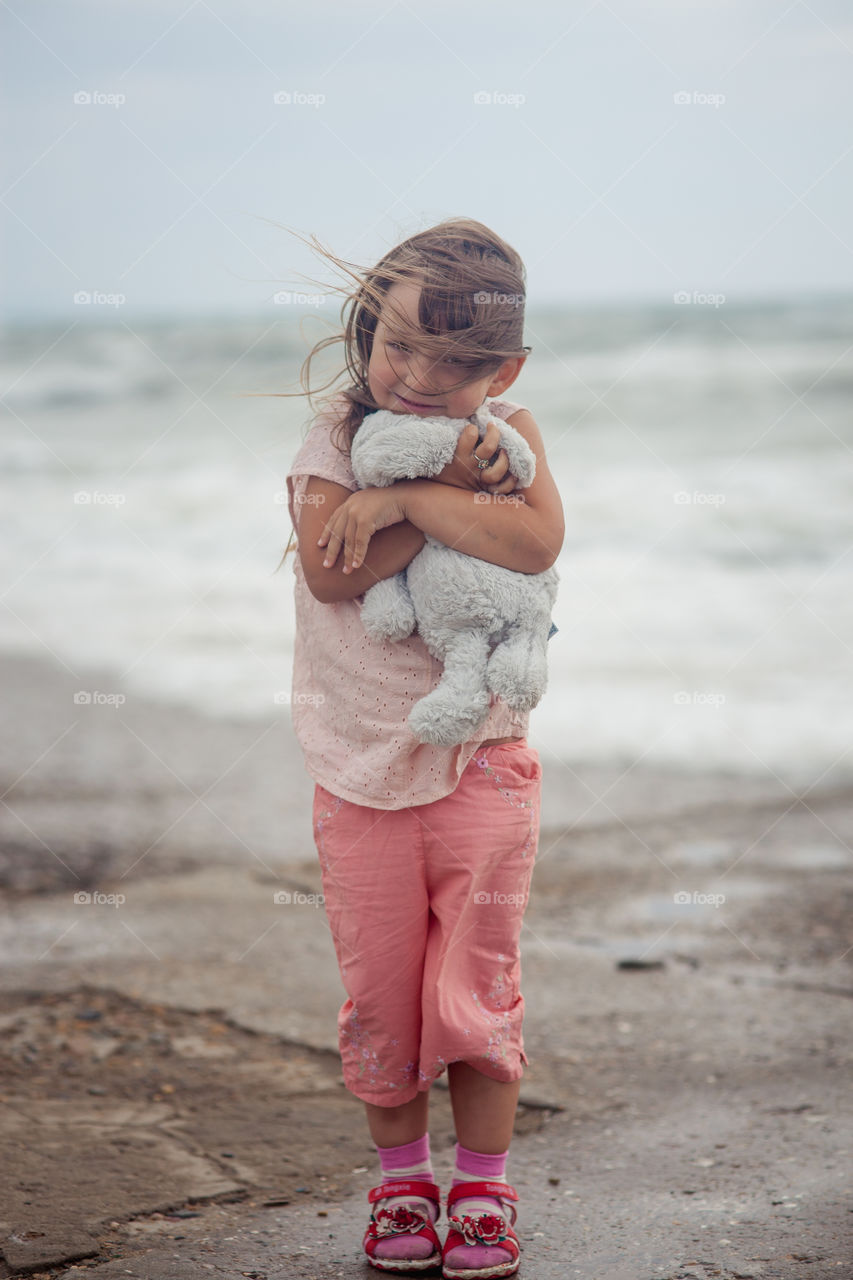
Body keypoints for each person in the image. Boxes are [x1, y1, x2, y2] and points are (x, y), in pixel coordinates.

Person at [284, 218, 564, 1278]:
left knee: (477, 986)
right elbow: (330, 570)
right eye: (399, 344)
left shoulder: (511, 432)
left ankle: (483, 1191)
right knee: (381, 994)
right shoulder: (327, 445)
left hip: (484, 760)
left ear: (505, 368)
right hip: (358, 770)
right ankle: (402, 1182)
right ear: (368, 325)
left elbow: (533, 541)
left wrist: (401, 495)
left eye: (458, 366)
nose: (419, 376)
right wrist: (441, 489)